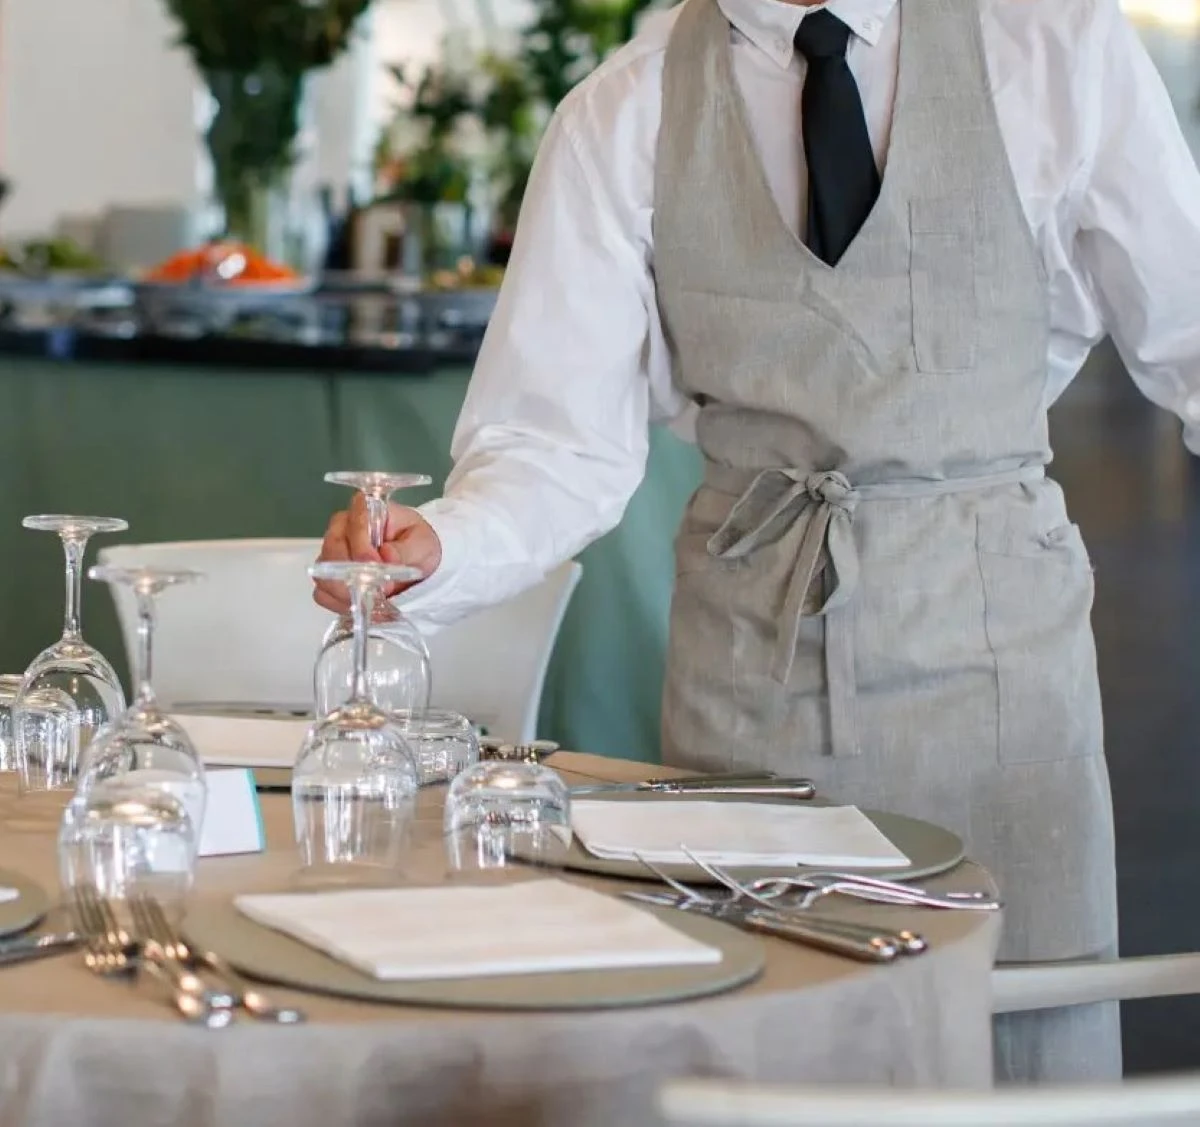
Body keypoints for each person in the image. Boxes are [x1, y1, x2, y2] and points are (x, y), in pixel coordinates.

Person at [316, 0, 1200, 1083]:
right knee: (763, 1050)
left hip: (998, 670)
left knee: (1016, 1043)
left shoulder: (1056, 46)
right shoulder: (624, 108)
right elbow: (557, 445)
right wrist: (441, 548)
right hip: (750, 678)